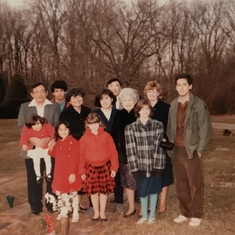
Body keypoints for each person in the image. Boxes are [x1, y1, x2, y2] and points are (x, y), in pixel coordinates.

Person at [167, 74, 212, 227]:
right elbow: (170, 127)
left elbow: (205, 128)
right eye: (178, 85)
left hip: (192, 149)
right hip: (177, 149)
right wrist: (170, 147)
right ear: (175, 87)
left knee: (195, 182)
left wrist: (200, 149)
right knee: (181, 182)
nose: (181, 87)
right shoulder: (173, 104)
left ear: (190, 86)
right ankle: (184, 212)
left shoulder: (198, 104)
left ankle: (196, 213)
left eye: (184, 84)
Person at [17, 82, 61, 215]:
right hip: (32, 149)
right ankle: (35, 205)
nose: (40, 94)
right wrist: (32, 139)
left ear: (46, 92)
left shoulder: (54, 106)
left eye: (42, 91)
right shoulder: (25, 107)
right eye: (36, 92)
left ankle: (51, 203)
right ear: (32, 94)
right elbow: (21, 126)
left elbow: (57, 125)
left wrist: (48, 139)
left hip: (49, 148)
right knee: (34, 177)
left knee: (50, 177)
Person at [125, 99, 165, 224]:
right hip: (140, 166)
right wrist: (134, 169)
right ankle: (144, 215)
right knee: (142, 191)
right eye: (142, 109)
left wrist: (159, 167)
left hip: (154, 165)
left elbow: (160, 148)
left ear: (150, 111)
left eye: (147, 109)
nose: (145, 111)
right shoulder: (130, 128)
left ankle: (152, 215)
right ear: (138, 111)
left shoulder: (158, 125)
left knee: (153, 190)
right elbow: (130, 150)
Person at [79, 113, 119, 221]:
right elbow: (81, 156)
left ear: (99, 123)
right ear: (87, 124)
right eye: (91, 124)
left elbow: (113, 152)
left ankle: (102, 213)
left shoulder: (107, 136)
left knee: (103, 191)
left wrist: (114, 167)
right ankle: (96, 212)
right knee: (93, 192)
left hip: (104, 166)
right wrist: (81, 170)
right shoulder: (84, 138)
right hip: (91, 167)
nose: (94, 126)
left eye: (96, 123)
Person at [144, 81, 173, 213]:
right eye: (149, 91)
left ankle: (162, 203)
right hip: (147, 146)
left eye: (154, 91)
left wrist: (166, 138)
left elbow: (171, 126)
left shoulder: (167, 107)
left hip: (162, 145)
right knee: (150, 174)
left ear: (159, 93)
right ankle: (151, 202)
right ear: (146, 93)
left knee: (164, 175)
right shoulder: (142, 107)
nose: (152, 94)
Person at [59, 87, 91, 212]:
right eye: (74, 97)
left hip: (88, 146)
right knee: (77, 172)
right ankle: (77, 202)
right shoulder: (65, 114)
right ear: (69, 100)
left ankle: (90, 200)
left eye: (79, 97)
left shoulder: (88, 111)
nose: (77, 100)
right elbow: (64, 132)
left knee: (88, 172)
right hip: (73, 146)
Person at [48, 120, 83, 223]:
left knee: (73, 192)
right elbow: (54, 154)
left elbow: (75, 159)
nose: (63, 132)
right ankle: (63, 211)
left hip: (70, 171)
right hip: (60, 171)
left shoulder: (74, 142)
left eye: (65, 129)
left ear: (69, 130)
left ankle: (75, 211)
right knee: (61, 192)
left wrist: (72, 173)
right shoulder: (58, 142)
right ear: (57, 131)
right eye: (60, 130)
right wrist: (51, 146)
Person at [111, 87, 139, 216]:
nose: (127, 102)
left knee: (141, 179)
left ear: (135, 100)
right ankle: (132, 206)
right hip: (123, 154)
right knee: (128, 180)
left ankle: (143, 206)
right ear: (121, 102)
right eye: (125, 100)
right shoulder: (118, 115)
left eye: (130, 99)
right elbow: (114, 135)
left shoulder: (139, 113)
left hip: (139, 153)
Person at [20, 115, 55, 183]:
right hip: (35, 148)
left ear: (41, 122)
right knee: (36, 161)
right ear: (31, 126)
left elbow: (52, 132)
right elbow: (24, 136)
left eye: (38, 123)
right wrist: (23, 144)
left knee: (48, 160)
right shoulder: (28, 129)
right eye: (34, 125)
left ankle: (48, 173)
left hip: (45, 147)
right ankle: (38, 175)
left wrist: (52, 139)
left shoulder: (46, 125)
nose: (37, 126)